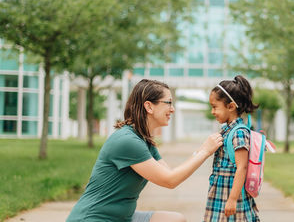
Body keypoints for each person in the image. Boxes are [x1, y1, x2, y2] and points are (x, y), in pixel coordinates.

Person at [66, 79, 223, 222]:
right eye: (168, 103)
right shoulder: (127, 141)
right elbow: (170, 180)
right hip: (95, 218)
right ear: (149, 106)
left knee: (176, 219)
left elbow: (170, 174)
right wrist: (204, 152)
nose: (173, 109)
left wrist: (201, 151)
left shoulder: (144, 140)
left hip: (123, 217)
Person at [204, 75, 260, 222]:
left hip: (230, 193)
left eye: (215, 107)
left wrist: (233, 199)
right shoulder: (228, 130)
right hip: (221, 192)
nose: (212, 112)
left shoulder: (238, 133)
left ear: (231, 106)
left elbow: (242, 167)